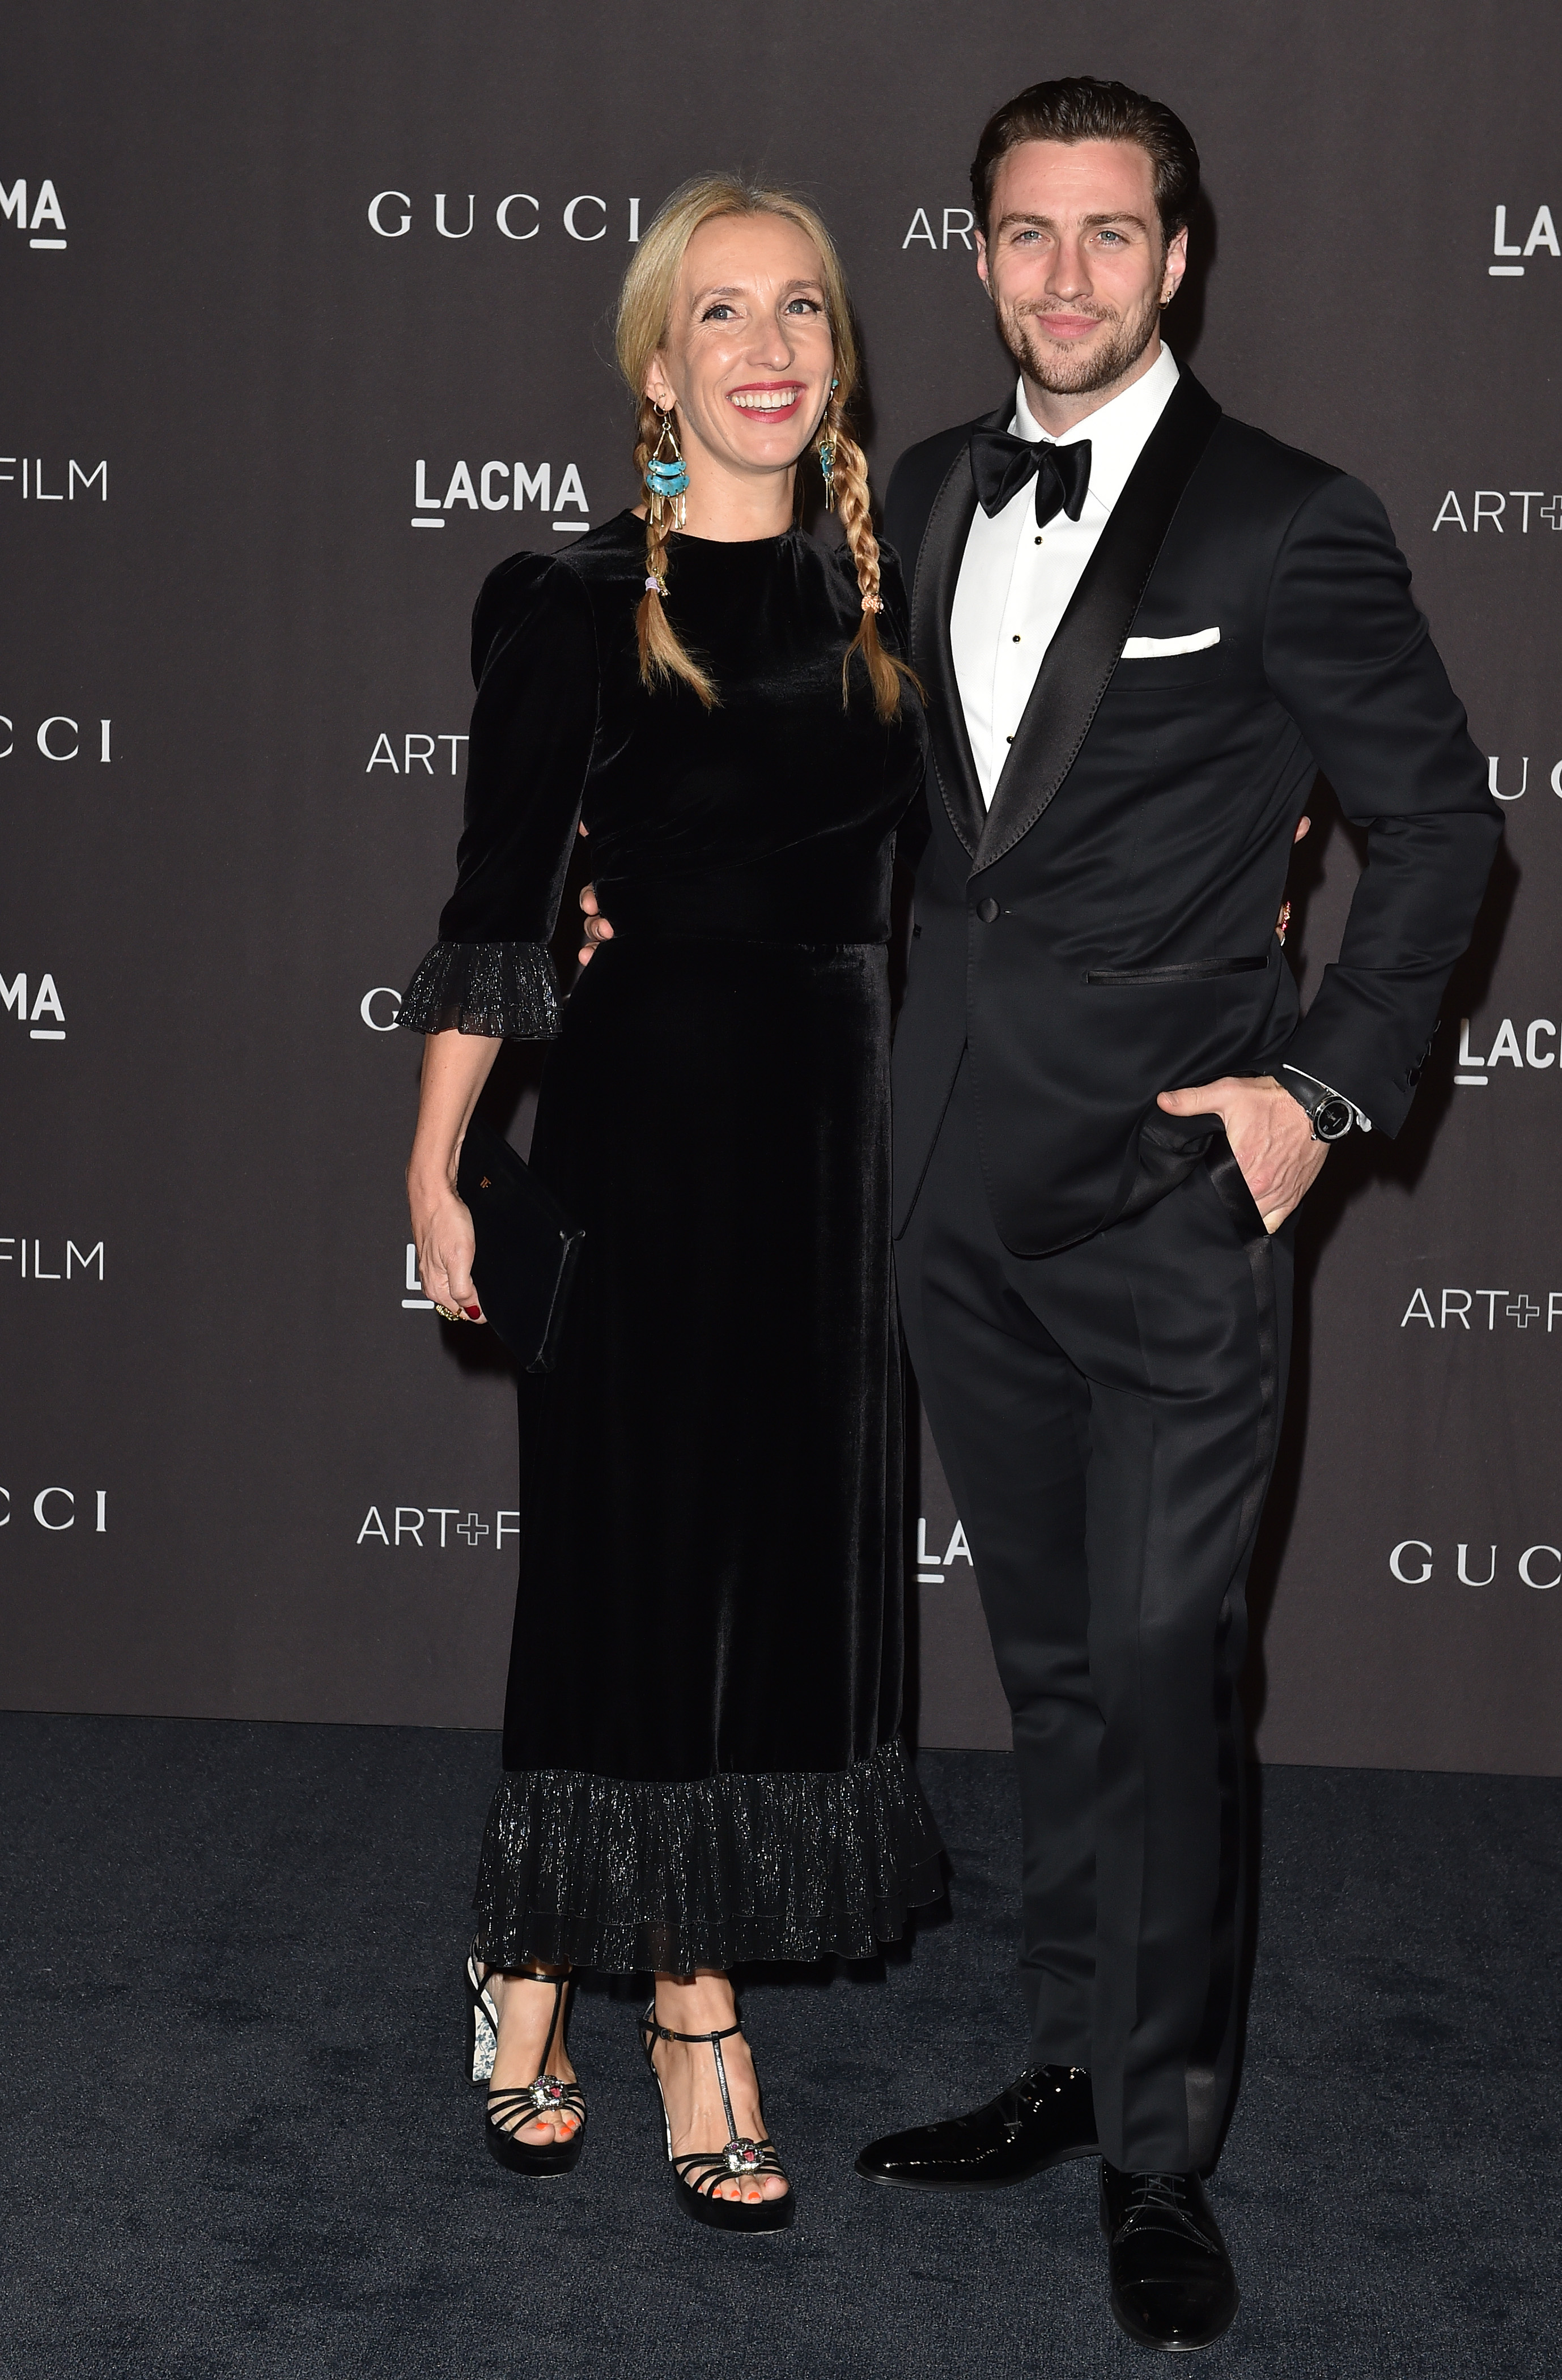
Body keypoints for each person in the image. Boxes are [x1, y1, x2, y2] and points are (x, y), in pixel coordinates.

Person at [842, 77, 1502, 2352]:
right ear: (976, 254)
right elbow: (916, 833)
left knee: (1157, 1668)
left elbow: (1438, 834)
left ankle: (1155, 2150)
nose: (1063, 281)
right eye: (1023, 238)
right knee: (1039, 1671)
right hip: (949, 1192)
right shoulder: (919, 494)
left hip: (1164, 1203)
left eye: (1106, 237)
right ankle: (1060, 2052)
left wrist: (1317, 1093)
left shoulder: (1286, 523)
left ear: (1176, 255)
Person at [400, 173, 942, 2234]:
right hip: (634, 1145)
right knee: (623, 1571)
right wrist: (437, 1165)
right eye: (720, 316)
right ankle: (630, 1992)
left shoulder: (892, 613)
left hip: (830, 1163)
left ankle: (604, 1969)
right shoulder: (569, 609)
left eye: (799, 308)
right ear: (657, 368)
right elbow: (499, 909)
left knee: (771, 1584)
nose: (768, 347)